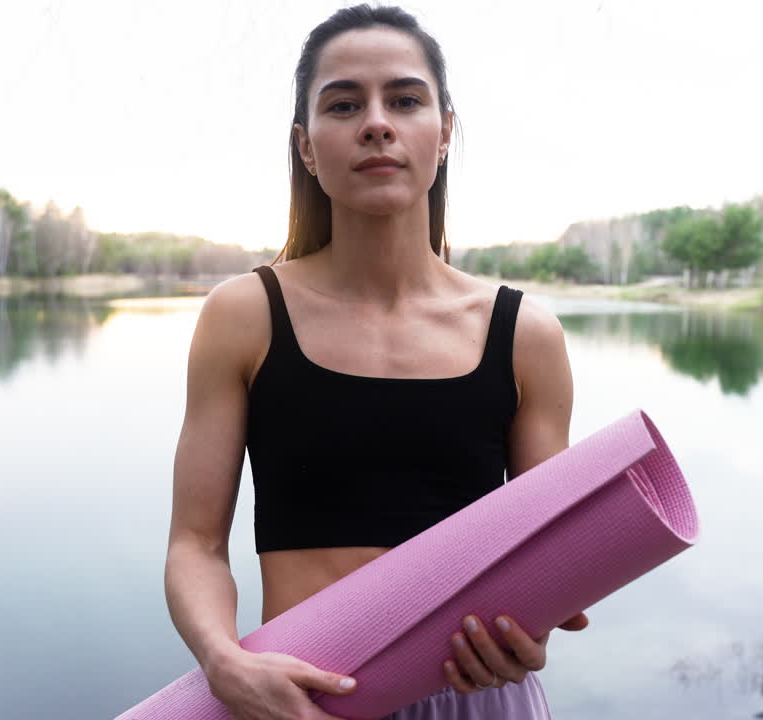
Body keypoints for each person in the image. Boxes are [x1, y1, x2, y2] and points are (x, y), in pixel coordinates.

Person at [165, 5, 586, 719]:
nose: (377, 123)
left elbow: (552, 562)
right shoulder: (244, 316)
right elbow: (195, 545)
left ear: (444, 132)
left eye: (405, 99)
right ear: (305, 146)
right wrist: (223, 659)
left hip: (479, 703)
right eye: (343, 104)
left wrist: (531, 634)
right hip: (296, 703)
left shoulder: (525, 335)